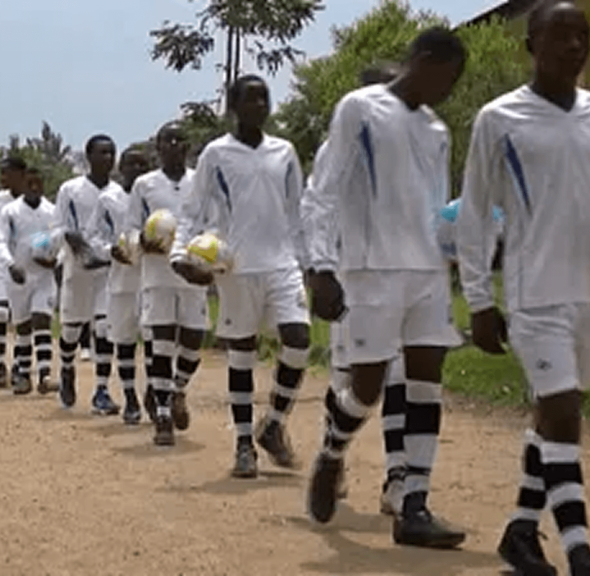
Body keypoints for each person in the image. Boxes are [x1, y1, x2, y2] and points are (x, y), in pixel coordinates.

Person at [457, 3, 590, 574]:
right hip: (534, 293)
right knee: (562, 410)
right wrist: (479, 299)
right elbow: (474, 215)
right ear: (531, 45)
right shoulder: (499, 119)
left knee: (556, 415)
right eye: (562, 35)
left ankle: (519, 532)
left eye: (583, 35)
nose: (575, 46)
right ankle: (580, 549)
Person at [303, 28, 467, 549]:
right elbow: (323, 191)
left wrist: (460, 246)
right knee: (368, 387)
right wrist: (320, 267)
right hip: (372, 269)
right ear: (423, 60)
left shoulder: (437, 129)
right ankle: (332, 452)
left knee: (425, 382)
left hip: (428, 273)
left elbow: (439, 206)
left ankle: (413, 504)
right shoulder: (360, 109)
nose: (448, 90)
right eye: (447, 77)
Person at [171, 75, 312, 475]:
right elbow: (193, 210)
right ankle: (244, 444)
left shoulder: (284, 151)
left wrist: (311, 262)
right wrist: (180, 255)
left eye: (264, 98)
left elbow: (297, 211)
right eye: (251, 99)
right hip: (236, 266)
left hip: (282, 264)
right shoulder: (216, 154)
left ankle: (275, 424)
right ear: (233, 107)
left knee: (299, 340)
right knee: (242, 354)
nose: (260, 105)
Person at [306, 62, 406, 514]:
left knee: (402, 376)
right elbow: (318, 205)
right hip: (353, 277)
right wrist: (321, 268)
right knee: (352, 379)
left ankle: (398, 479)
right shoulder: (337, 148)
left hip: (405, 277)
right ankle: (334, 451)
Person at [129, 122, 209, 442]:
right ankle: (163, 416)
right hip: (158, 274)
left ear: (188, 146)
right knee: (161, 343)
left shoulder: (200, 182)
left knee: (193, 341)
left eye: (180, 140)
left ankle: (176, 389)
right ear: (158, 147)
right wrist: (142, 242)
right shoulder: (144, 185)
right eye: (167, 140)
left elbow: (212, 220)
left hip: (192, 271)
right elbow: (131, 227)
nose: (174, 145)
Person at [54, 134, 119, 414]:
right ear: (89, 156)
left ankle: (101, 390)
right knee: (71, 330)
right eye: (102, 153)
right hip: (77, 268)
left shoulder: (118, 193)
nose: (108, 158)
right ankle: (67, 368)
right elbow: (57, 227)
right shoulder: (70, 190)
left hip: (106, 269)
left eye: (111, 153)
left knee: (104, 327)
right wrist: (74, 242)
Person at [87, 145, 151, 424]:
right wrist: (109, 251)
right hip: (122, 280)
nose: (137, 170)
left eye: (142, 165)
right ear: (121, 169)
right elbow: (93, 235)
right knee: (124, 341)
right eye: (131, 164)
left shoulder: (154, 194)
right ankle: (130, 397)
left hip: (152, 278)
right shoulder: (108, 199)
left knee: (153, 339)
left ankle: (154, 393)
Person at [0, 167, 59, 395]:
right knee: (22, 327)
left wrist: (54, 260)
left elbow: (57, 239)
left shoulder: (52, 211)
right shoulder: (10, 211)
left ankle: (45, 375)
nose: (33, 187)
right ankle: (23, 374)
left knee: (42, 319)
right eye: (29, 183)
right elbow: (0, 241)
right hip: (18, 276)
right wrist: (10, 265)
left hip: (43, 276)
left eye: (37, 183)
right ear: (23, 184)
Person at [0, 157, 29, 388]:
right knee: (1, 313)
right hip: (0, 264)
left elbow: (44, 232)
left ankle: (20, 364)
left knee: (21, 317)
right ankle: (1, 364)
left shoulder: (32, 200)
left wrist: (41, 252)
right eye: (1, 173)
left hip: (25, 265)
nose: (2, 178)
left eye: (6, 173)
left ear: (20, 174)